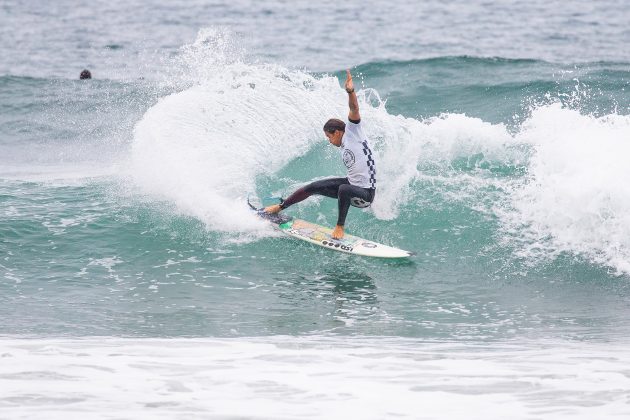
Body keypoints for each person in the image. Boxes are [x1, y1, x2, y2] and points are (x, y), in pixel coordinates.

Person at [264, 69, 376, 239]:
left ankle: (340, 228)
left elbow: (354, 108)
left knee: (344, 189)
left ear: (337, 132)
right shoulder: (344, 143)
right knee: (312, 187)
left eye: (329, 136)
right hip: (353, 186)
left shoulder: (353, 132)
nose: (329, 141)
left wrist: (350, 91)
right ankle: (280, 207)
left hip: (366, 194)